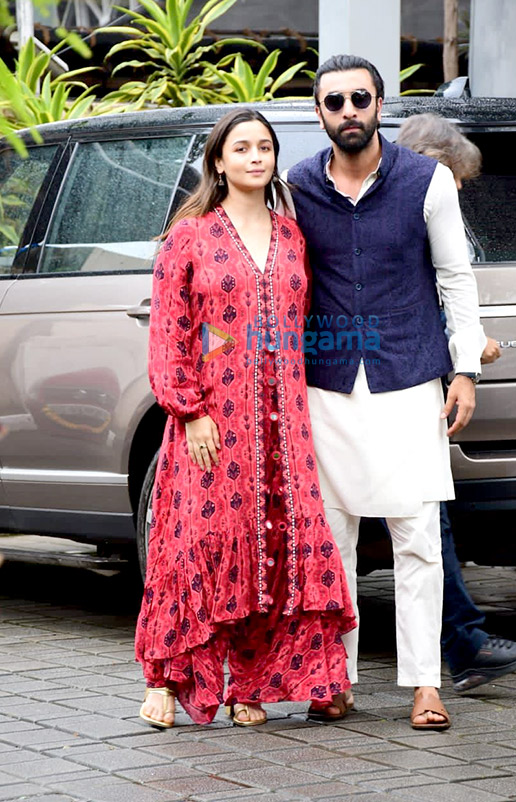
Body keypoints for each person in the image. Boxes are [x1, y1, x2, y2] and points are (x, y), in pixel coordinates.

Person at [282, 54, 487, 731]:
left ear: (379, 106)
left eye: (359, 99)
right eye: (334, 102)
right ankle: (334, 679)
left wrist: (464, 371)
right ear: (319, 113)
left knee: (417, 535)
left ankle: (425, 684)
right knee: (333, 539)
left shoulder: (426, 180)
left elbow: (455, 279)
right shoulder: (297, 185)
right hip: (329, 381)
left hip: (408, 376)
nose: (348, 112)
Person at [135, 108, 355, 729]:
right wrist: (190, 409)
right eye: (242, 148)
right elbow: (172, 331)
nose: (256, 157)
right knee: (198, 545)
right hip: (213, 421)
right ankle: (168, 679)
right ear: (219, 161)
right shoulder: (191, 236)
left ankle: (251, 684)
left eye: (265, 147)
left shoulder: (292, 237)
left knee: (275, 547)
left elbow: (302, 325)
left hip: (284, 422)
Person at [396, 112, 516, 690]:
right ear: (431, 167)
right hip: (385, 391)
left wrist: (463, 347)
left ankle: (461, 642)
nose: (459, 190)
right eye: (455, 177)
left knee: (429, 519)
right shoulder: (408, 213)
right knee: (424, 519)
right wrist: (462, 347)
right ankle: (460, 644)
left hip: (408, 385)